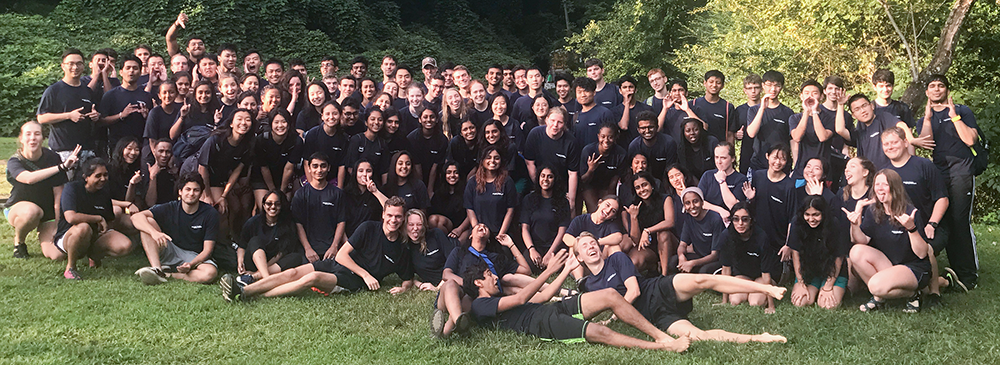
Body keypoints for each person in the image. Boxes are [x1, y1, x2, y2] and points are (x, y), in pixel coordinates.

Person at [574, 233, 787, 343]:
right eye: (584, 246)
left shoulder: (617, 258)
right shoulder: (590, 285)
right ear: (579, 258)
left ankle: (767, 290)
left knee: (702, 280)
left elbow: (634, 291)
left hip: (657, 288)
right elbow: (579, 303)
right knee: (696, 335)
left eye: (592, 243)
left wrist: (614, 316)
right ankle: (760, 338)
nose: (591, 247)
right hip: (654, 316)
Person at [464, 252, 690, 351]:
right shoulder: (480, 305)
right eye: (488, 275)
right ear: (477, 283)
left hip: (550, 308)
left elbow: (542, 297)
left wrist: (564, 270)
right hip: (542, 324)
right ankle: (665, 346)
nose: (494, 276)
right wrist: (548, 270)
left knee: (611, 294)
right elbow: (523, 296)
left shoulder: (497, 297)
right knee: (599, 333)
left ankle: (659, 335)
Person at [220, 197, 413, 301]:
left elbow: (407, 279)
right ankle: (244, 288)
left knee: (311, 279)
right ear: (383, 215)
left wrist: (403, 289)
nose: (393, 220)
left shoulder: (402, 249)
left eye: (398, 217)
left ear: (403, 218)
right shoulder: (369, 227)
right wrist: (366, 274)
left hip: (351, 281)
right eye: (390, 215)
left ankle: (246, 294)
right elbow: (342, 256)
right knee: (293, 271)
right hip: (342, 267)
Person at [916, 74, 980, 290]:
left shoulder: (962, 111)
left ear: (946, 90)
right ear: (926, 92)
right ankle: (951, 268)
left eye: (940, 86)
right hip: (938, 173)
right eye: (932, 86)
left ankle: (969, 274)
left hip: (961, 171)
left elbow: (971, 139)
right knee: (943, 221)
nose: (936, 89)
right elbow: (925, 144)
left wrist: (954, 117)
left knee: (960, 222)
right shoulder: (925, 117)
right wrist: (926, 119)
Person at [882, 127, 952, 300]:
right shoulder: (884, 173)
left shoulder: (924, 165)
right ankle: (941, 280)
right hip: (899, 229)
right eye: (886, 144)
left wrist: (932, 224)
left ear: (906, 142)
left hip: (928, 227)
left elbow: (942, 198)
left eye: (894, 142)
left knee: (925, 249)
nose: (890, 147)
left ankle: (935, 293)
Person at [845, 169, 930, 313]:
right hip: (888, 264)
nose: (879, 188)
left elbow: (922, 254)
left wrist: (911, 229)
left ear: (895, 187)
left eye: (885, 184)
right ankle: (887, 296)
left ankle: (906, 293)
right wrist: (854, 225)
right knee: (856, 251)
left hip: (912, 267)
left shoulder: (909, 212)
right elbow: (862, 240)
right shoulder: (874, 211)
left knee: (875, 285)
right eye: (877, 184)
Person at [432, 224, 535, 338]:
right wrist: (468, 284)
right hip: (450, 294)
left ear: (489, 237)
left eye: (486, 227)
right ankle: (458, 321)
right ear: (471, 235)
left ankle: (448, 330)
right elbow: (446, 274)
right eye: (478, 226)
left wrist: (511, 245)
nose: (482, 226)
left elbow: (526, 270)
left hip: (472, 298)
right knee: (450, 284)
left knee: (470, 297)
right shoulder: (459, 252)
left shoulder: (495, 258)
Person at [132, 173, 219, 284]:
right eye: (187, 189)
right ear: (180, 191)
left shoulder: (210, 213)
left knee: (209, 273)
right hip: (170, 248)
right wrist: (154, 233)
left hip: (194, 256)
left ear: (201, 193)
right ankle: (157, 269)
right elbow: (135, 217)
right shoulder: (170, 207)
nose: (191, 193)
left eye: (196, 190)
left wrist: (191, 264)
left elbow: (207, 250)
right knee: (147, 222)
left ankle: (167, 275)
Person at [54, 158, 134, 280]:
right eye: (98, 176)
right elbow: (71, 217)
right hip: (69, 234)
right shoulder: (72, 188)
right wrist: (97, 218)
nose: (103, 179)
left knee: (125, 245)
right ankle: (70, 268)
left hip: (93, 237)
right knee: (83, 227)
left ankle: (94, 256)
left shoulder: (104, 192)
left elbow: (109, 220)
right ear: (86, 177)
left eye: (105, 175)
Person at [6, 122, 75, 259]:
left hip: (48, 212)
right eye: (28, 134)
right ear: (21, 138)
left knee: (57, 255)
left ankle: (42, 232)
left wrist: (57, 223)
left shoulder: (52, 157)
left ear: (43, 138)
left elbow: (58, 193)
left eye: (37, 134)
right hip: (20, 208)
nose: (33, 138)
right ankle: (19, 243)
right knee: (32, 212)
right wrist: (61, 167)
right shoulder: (15, 161)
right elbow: (29, 178)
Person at [36, 49, 100, 177]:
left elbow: (95, 113)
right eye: (70, 63)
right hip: (62, 150)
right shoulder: (53, 90)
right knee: (64, 191)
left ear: (83, 66)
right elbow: (41, 118)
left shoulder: (87, 91)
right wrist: (68, 115)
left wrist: (95, 116)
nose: (75, 67)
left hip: (87, 150)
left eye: (79, 63)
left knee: (86, 191)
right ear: (63, 66)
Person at [194, 108, 254, 242]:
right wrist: (207, 195)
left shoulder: (247, 145)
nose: (243, 123)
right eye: (239, 119)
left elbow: (236, 173)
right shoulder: (215, 140)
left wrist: (223, 196)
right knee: (220, 209)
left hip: (221, 178)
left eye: (248, 119)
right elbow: (202, 168)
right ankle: (216, 242)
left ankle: (232, 237)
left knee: (236, 207)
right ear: (231, 123)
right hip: (199, 176)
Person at [788, 196, 849, 309]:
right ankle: (813, 289)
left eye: (816, 214)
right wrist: (801, 283)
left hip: (832, 271)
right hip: (809, 271)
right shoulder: (797, 223)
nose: (811, 219)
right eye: (807, 214)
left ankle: (832, 288)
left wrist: (828, 286)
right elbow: (795, 254)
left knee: (827, 305)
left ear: (823, 213)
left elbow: (839, 258)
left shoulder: (834, 224)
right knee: (800, 302)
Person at [717, 202, 778, 313]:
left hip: (761, 276)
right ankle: (747, 292)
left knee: (755, 303)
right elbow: (726, 269)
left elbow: (766, 274)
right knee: (735, 300)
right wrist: (724, 301)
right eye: (736, 219)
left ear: (751, 220)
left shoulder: (761, 237)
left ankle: (764, 291)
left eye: (745, 219)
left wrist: (771, 306)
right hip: (742, 275)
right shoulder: (726, 236)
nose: (740, 223)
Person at [741, 143, 795, 266]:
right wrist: (751, 198)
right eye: (775, 157)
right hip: (757, 236)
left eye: (783, 158)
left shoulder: (789, 185)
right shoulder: (758, 176)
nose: (778, 162)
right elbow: (750, 209)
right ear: (767, 156)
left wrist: (788, 245)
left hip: (777, 241)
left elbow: (793, 218)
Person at [235, 191, 305, 283]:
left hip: (274, 262)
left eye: (277, 204)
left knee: (296, 257)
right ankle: (267, 279)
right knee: (255, 240)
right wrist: (240, 262)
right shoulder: (253, 222)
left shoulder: (288, 224)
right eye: (269, 203)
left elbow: (282, 252)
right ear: (263, 205)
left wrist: (264, 268)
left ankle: (254, 276)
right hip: (254, 259)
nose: (273, 207)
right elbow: (242, 246)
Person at [291, 153, 347, 263]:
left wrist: (334, 247)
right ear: (309, 168)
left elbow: (341, 222)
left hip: (330, 249)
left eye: (323, 166)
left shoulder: (337, 193)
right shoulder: (300, 194)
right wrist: (307, 249)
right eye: (315, 166)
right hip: (307, 250)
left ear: (329, 168)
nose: (319, 170)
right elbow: (298, 223)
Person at [836, 93, 913, 170]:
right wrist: (840, 105)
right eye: (857, 109)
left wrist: (912, 140)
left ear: (872, 106)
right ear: (854, 115)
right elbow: (840, 130)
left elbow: (901, 125)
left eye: (864, 105)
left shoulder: (883, 118)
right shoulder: (859, 133)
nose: (862, 111)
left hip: (890, 173)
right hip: (869, 176)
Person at [524, 108, 581, 207]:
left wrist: (571, 200)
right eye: (552, 121)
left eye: (560, 122)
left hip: (560, 185)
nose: (555, 125)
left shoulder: (571, 142)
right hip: (538, 182)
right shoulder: (535, 134)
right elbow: (530, 163)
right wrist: (540, 185)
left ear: (564, 124)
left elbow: (572, 173)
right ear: (546, 120)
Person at [622, 171, 675, 276]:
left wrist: (648, 230)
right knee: (635, 261)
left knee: (663, 233)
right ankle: (654, 267)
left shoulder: (665, 199)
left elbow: (670, 222)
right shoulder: (635, 206)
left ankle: (664, 276)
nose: (642, 190)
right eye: (638, 187)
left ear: (652, 185)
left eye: (644, 185)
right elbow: (636, 240)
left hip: (669, 243)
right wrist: (634, 217)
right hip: (649, 247)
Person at [520, 166, 571, 272]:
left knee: (558, 264)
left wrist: (550, 253)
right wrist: (531, 249)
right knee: (527, 267)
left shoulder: (563, 202)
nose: (545, 180)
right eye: (542, 176)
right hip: (535, 246)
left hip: (554, 247)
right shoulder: (529, 199)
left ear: (555, 179)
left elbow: (562, 231)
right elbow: (525, 228)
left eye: (550, 177)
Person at [97, 54, 152, 151]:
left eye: (135, 68)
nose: (131, 71)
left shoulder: (146, 96)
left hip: (140, 147)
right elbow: (101, 121)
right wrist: (121, 115)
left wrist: (147, 116)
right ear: (121, 72)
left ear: (140, 72)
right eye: (128, 68)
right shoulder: (111, 95)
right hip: (117, 146)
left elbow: (151, 124)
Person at [253, 109, 303, 211]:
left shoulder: (296, 141)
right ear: (271, 124)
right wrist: (273, 192)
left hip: (284, 178)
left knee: (284, 206)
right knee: (266, 207)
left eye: (283, 122)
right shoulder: (262, 140)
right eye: (276, 122)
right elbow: (264, 168)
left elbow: (289, 168)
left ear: (289, 124)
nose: (280, 126)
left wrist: (281, 192)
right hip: (263, 178)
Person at [395, 209, 456, 292]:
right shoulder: (405, 248)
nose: (415, 228)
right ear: (405, 226)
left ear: (424, 226)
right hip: (438, 282)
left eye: (419, 224)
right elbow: (409, 276)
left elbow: (455, 262)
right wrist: (419, 285)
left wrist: (438, 288)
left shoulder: (436, 234)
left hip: (454, 277)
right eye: (411, 224)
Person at [746, 71, 794, 171]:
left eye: (777, 86)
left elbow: (792, 140)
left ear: (781, 87)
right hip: (759, 164)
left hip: (781, 165)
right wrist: (762, 108)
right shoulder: (754, 110)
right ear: (763, 85)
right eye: (769, 85)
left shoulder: (788, 112)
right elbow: (751, 133)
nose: (773, 89)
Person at [465, 146, 518, 238]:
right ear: (482, 161)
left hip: (500, 233)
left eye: (496, 158)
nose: (492, 161)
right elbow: (469, 209)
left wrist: (501, 234)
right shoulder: (472, 182)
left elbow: (510, 210)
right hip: (479, 233)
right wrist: (476, 230)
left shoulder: (507, 182)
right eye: (488, 157)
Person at [671, 187, 724, 274]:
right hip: (699, 256)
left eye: (695, 201)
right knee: (673, 261)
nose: (692, 206)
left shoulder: (715, 219)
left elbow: (715, 255)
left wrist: (692, 263)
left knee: (703, 271)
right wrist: (681, 257)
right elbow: (682, 244)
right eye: (687, 203)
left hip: (715, 260)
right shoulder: (688, 218)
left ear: (702, 202)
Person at [789, 80, 833, 175]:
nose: (810, 96)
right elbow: (796, 137)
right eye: (806, 93)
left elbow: (823, 137)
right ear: (801, 96)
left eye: (814, 93)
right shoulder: (795, 118)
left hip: (823, 170)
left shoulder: (829, 118)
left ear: (821, 96)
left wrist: (814, 112)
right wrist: (806, 112)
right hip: (801, 169)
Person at [580, 123, 626, 213]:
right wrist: (591, 170)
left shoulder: (620, 153)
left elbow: (615, 179)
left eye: (610, 137)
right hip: (590, 185)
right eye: (603, 136)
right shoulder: (588, 151)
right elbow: (583, 180)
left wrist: (608, 199)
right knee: (596, 212)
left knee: (607, 212)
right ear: (598, 136)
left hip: (607, 186)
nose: (606, 140)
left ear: (615, 137)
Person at [302, 101, 348, 186]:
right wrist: (312, 185)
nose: (331, 117)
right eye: (327, 114)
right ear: (322, 116)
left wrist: (339, 189)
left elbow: (342, 166)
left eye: (335, 114)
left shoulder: (343, 138)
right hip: (313, 176)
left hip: (332, 179)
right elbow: (306, 161)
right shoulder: (312, 134)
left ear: (340, 115)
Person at [627, 111, 678, 180]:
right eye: (643, 128)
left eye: (650, 127)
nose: (647, 131)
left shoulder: (668, 143)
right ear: (638, 130)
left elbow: (672, 169)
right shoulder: (634, 146)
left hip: (665, 180)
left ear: (657, 127)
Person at [343, 159, 388, 237]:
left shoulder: (377, 193)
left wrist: (375, 192)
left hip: (371, 239)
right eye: (360, 171)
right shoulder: (346, 194)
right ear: (355, 173)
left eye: (368, 171)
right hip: (349, 240)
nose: (364, 174)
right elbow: (340, 221)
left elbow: (391, 209)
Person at [690, 70, 738, 143]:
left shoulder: (728, 107)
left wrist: (730, 153)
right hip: (697, 150)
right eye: (711, 82)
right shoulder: (693, 104)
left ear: (722, 86)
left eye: (718, 82)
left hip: (719, 150)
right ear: (705, 83)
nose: (714, 85)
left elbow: (730, 134)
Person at [697, 142, 746, 210]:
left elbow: (734, 206)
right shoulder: (707, 175)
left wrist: (722, 182)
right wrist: (719, 210)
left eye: (723, 158)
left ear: (732, 158)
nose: (719, 161)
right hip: (709, 217)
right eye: (716, 157)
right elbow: (697, 201)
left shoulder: (741, 179)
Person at [407, 108, 449, 189]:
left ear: (437, 120)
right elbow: (416, 166)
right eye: (425, 117)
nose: (429, 120)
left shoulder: (442, 140)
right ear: (420, 119)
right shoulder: (412, 138)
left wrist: (429, 190)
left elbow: (435, 167)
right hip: (415, 176)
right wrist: (421, 189)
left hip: (435, 177)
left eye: (432, 117)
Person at [570, 77, 615, 148]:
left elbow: (612, 139)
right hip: (581, 157)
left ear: (594, 92)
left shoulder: (604, 113)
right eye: (579, 92)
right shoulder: (576, 117)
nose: (583, 95)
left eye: (586, 91)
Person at [429, 162, 469, 239]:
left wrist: (459, 229)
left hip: (460, 227)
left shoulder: (466, 192)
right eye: (449, 172)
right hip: (442, 226)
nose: (452, 175)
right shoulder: (438, 192)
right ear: (444, 175)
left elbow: (470, 214)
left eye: (456, 172)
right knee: (433, 220)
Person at [142, 80, 180, 162]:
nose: (168, 95)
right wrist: (158, 160)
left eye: (171, 92)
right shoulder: (154, 112)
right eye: (164, 92)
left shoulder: (179, 112)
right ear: (159, 95)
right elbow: (152, 140)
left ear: (176, 94)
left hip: (172, 154)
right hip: (153, 154)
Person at [611, 75, 653, 148]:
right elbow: (623, 126)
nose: (628, 89)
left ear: (635, 90)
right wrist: (627, 104)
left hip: (643, 148)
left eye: (631, 87)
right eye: (624, 87)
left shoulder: (646, 108)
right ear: (620, 91)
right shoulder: (615, 111)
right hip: (624, 149)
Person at [345, 107, 388, 175]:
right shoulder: (356, 140)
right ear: (366, 122)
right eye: (372, 119)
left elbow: (384, 171)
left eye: (380, 120)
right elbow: (350, 168)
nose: (376, 122)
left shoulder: (382, 143)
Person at [106, 136, 144, 210]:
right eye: (129, 149)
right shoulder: (108, 169)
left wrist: (132, 184)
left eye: (136, 149)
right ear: (121, 149)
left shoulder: (136, 171)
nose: (133, 153)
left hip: (126, 209)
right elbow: (103, 199)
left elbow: (129, 200)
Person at [735, 74, 762, 173]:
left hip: (765, 154)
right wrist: (736, 135)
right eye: (750, 88)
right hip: (746, 154)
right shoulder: (739, 110)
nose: (753, 91)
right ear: (745, 90)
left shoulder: (768, 109)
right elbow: (733, 133)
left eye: (756, 88)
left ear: (762, 88)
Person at [144, 138, 179, 207]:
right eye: (161, 151)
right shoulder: (147, 168)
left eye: (167, 152)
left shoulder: (174, 170)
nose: (164, 155)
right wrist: (153, 178)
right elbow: (150, 203)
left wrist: (176, 177)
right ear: (154, 151)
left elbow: (176, 196)